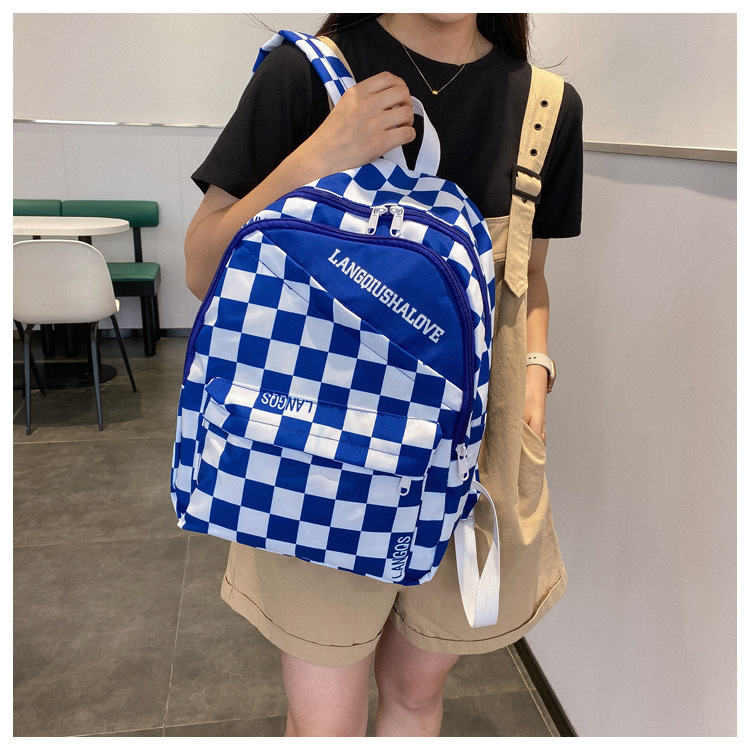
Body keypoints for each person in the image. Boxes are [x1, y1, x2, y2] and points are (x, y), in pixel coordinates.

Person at [184, 13, 582, 737]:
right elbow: (202, 264)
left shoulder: (547, 108)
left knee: (417, 692)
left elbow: (529, 279)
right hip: (323, 445)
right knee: (325, 718)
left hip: (475, 453)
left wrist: (535, 374)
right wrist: (321, 155)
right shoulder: (306, 75)